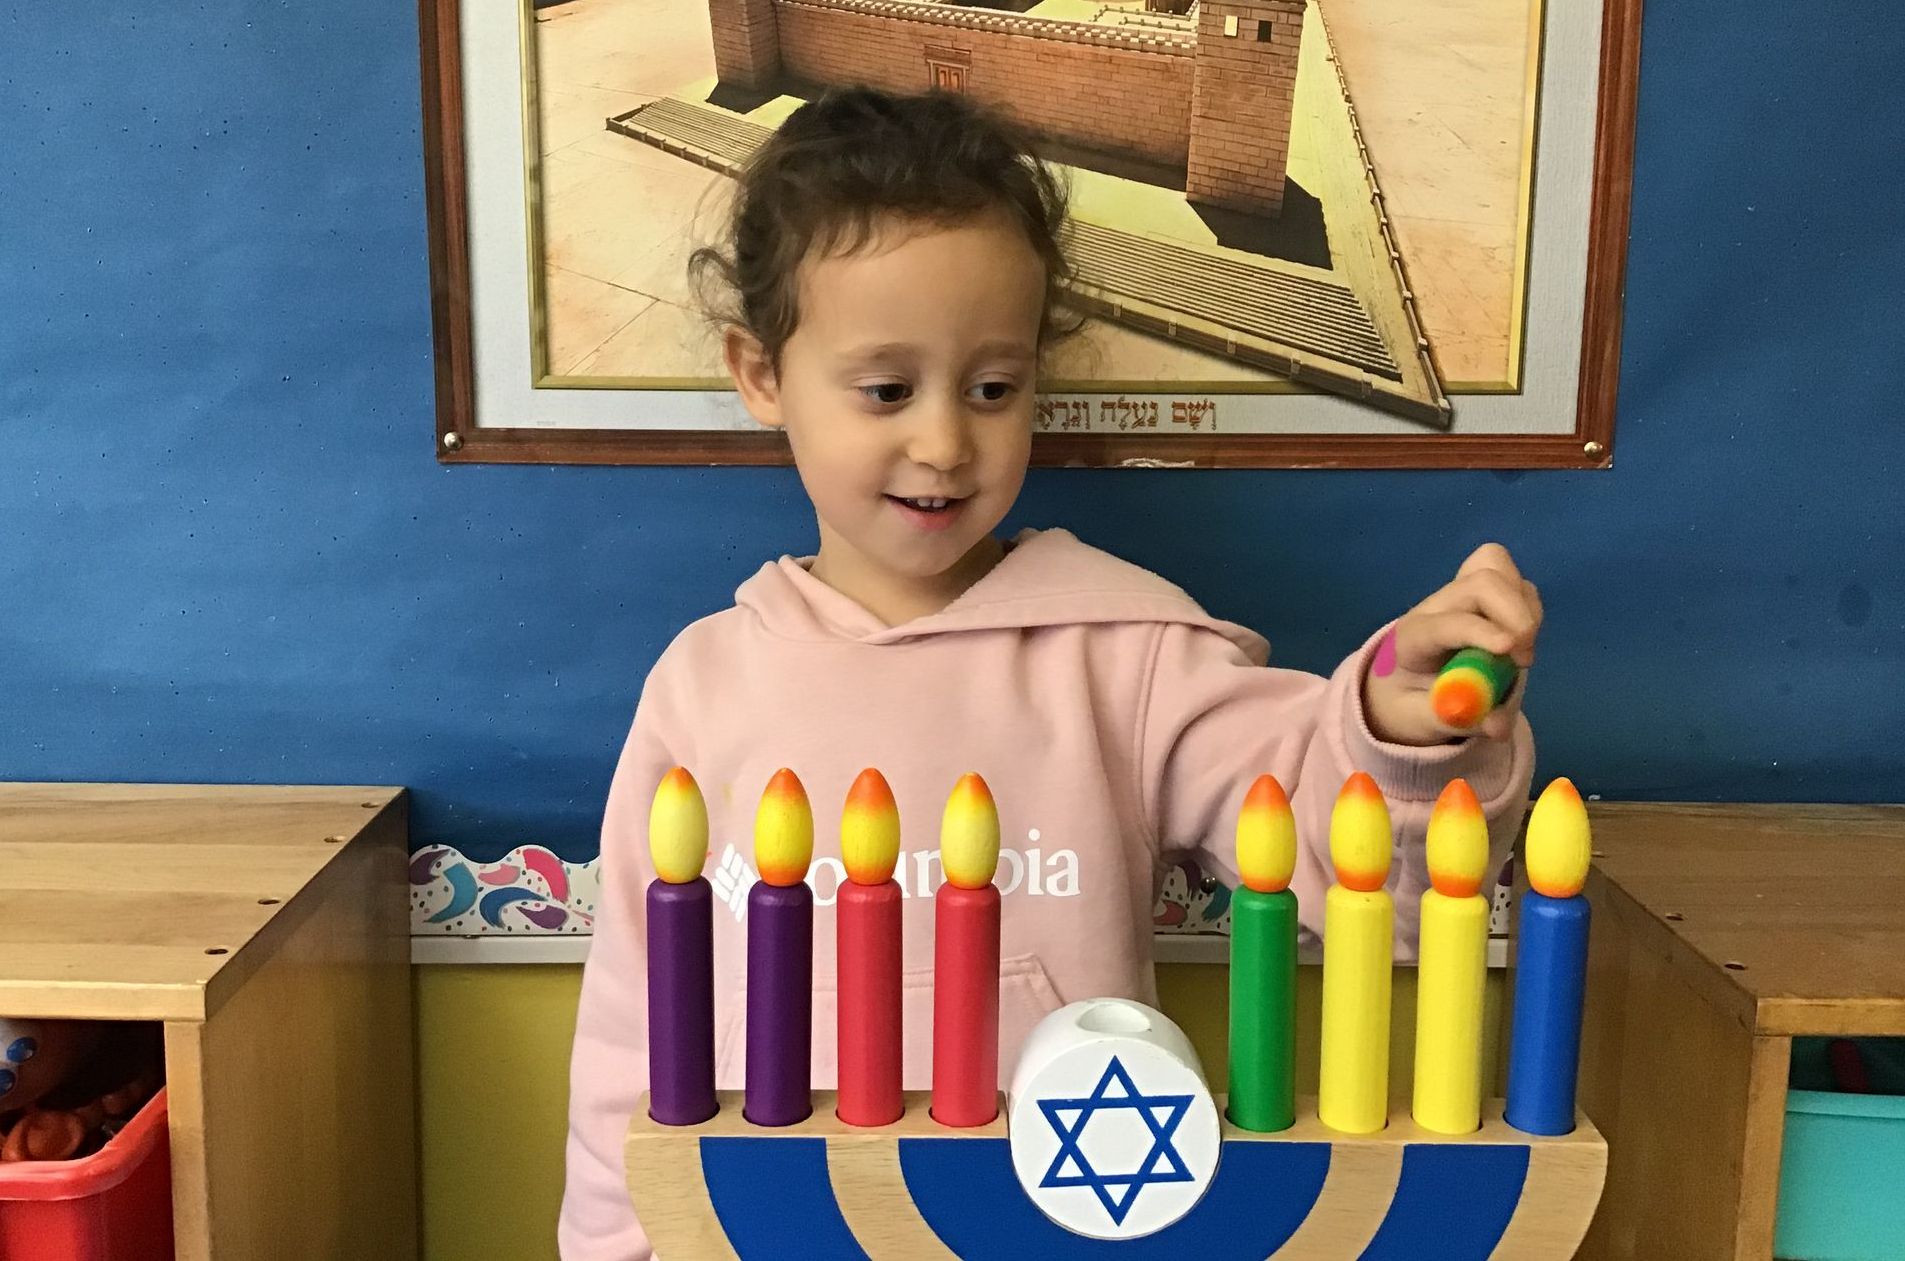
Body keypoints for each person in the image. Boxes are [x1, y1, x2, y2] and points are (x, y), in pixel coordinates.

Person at [560, 85, 1540, 1259]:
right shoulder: (704, 682)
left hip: (1061, 1225)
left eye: (992, 387)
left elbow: (1348, 866)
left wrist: (1400, 723)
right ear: (761, 374)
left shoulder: (1123, 654)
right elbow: (632, 1020)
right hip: (770, 1230)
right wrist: (625, 1239)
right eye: (886, 389)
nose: (943, 442)